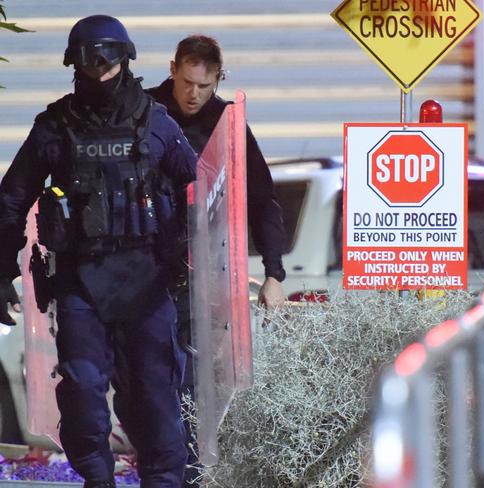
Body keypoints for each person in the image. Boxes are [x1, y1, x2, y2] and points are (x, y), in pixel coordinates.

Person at [0, 15, 198, 488]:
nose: (102, 69)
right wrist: (1, 269)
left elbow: (202, 194)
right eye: (92, 61)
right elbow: (11, 200)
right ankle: (97, 480)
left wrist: (207, 267)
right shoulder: (55, 126)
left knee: (154, 398)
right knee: (84, 392)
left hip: (148, 282)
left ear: (126, 60)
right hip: (80, 282)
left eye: (110, 60)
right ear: (75, 64)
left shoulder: (158, 124)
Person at [146, 34, 287, 487]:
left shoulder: (227, 122)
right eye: (187, 82)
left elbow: (263, 200)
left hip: (201, 274)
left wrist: (273, 273)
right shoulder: (142, 110)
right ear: (172, 69)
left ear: (218, 80)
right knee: (144, 380)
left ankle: (185, 472)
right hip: (140, 269)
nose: (194, 95)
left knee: (191, 380)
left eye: (205, 86)